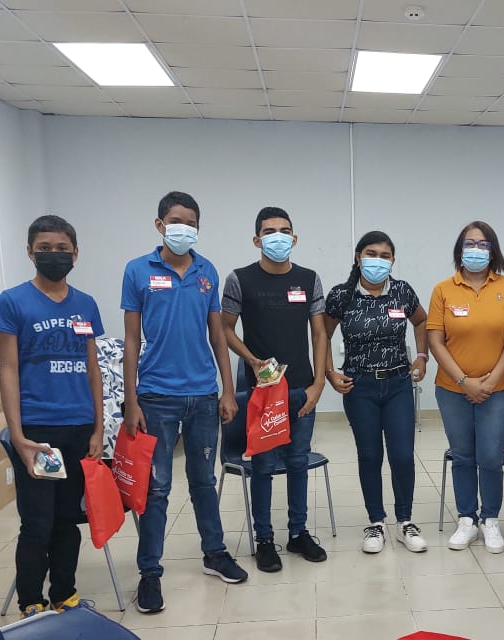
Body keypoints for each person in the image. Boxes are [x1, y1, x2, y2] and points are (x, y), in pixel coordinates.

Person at [122, 191, 245, 615]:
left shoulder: (207, 271)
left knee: (203, 480)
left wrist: (227, 390)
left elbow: (218, 336)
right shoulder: (138, 271)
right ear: (160, 225)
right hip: (156, 397)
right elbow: (131, 340)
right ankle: (149, 572)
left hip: (203, 396)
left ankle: (215, 553)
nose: (183, 229)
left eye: (190, 223)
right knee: (157, 488)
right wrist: (131, 399)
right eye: (175, 221)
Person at [0, 215, 105, 618]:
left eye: (61, 249)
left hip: (79, 427)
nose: (53, 255)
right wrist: (18, 436)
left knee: (67, 519)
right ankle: (30, 600)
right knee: (38, 521)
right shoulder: (12, 302)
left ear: (75, 253)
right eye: (44, 248)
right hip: (38, 430)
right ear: (30, 252)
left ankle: (64, 594)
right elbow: (7, 370)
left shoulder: (85, 304)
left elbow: (92, 368)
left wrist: (98, 428)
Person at [222, 206, 329, 573]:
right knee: (264, 467)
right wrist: (251, 361)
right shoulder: (239, 279)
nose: (278, 237)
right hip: (264, 393)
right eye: (269, 232)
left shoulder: (309, 279)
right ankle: (265, 540)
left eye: (284, 231)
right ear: (257, 240)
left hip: (301, 389)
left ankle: (298, 532)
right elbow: (224, 328)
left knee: (298, 462)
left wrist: (318, 383)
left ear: (294, 238)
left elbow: (319, 333)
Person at [324, 231, 428, 554]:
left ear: (393, 261)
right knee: (370, 455)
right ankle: (376, 521)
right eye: (371, 254)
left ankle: (405, 521)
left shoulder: (402, 291)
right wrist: (329, 372)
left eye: (385, 255)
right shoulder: (342, 295)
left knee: (402, 455)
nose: (378, 261)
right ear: (358, 257)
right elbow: (320, 335)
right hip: (359, 387)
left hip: (398, 383)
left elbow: (421, 322)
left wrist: (421, 356)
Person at [427, 221, 504, 554]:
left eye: (483, 245)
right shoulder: (443, 289)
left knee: (491, 457)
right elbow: (435, 341)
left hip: (496, 389)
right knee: (463, 456)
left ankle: (490, 519)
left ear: (493, 251)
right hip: (452, 388)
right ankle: (467, 518)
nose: (476, 250)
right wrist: (464, 381)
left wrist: (492, 380)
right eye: (470, 244)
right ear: (460, 249)